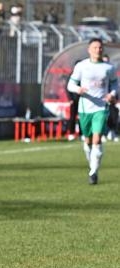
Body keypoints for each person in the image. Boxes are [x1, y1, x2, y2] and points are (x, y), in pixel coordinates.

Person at [67, 38, 118, 185]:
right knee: (88, 141)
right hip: (85, 108)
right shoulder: (82, 66)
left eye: (100, 47)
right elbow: (71, 84)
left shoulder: (108, 67)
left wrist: (112, 94)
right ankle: (92, 165)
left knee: (97, 139)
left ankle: (93, 173)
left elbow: (115, 84)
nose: (98, 50)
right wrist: (78, 89)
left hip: (101, 108)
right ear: (89, 50)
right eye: (95, 47)